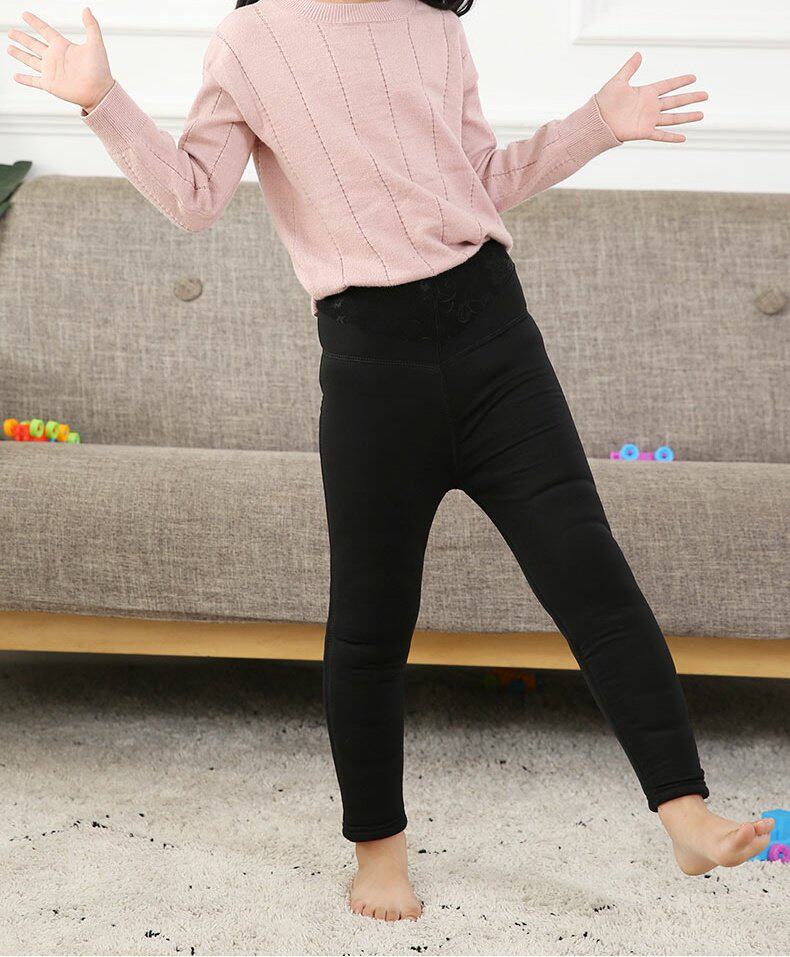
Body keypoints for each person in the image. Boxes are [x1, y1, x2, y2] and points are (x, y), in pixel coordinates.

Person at [7, 0, 774, 924]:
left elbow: (479, 179)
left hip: (497, 342)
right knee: (371, 623)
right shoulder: (253, 41)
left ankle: (684, 813)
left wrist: (596, 125)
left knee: (590, 573)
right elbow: (195, 196)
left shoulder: (434, 27)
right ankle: (378, 851)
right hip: (374, 371)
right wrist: (102, 100)